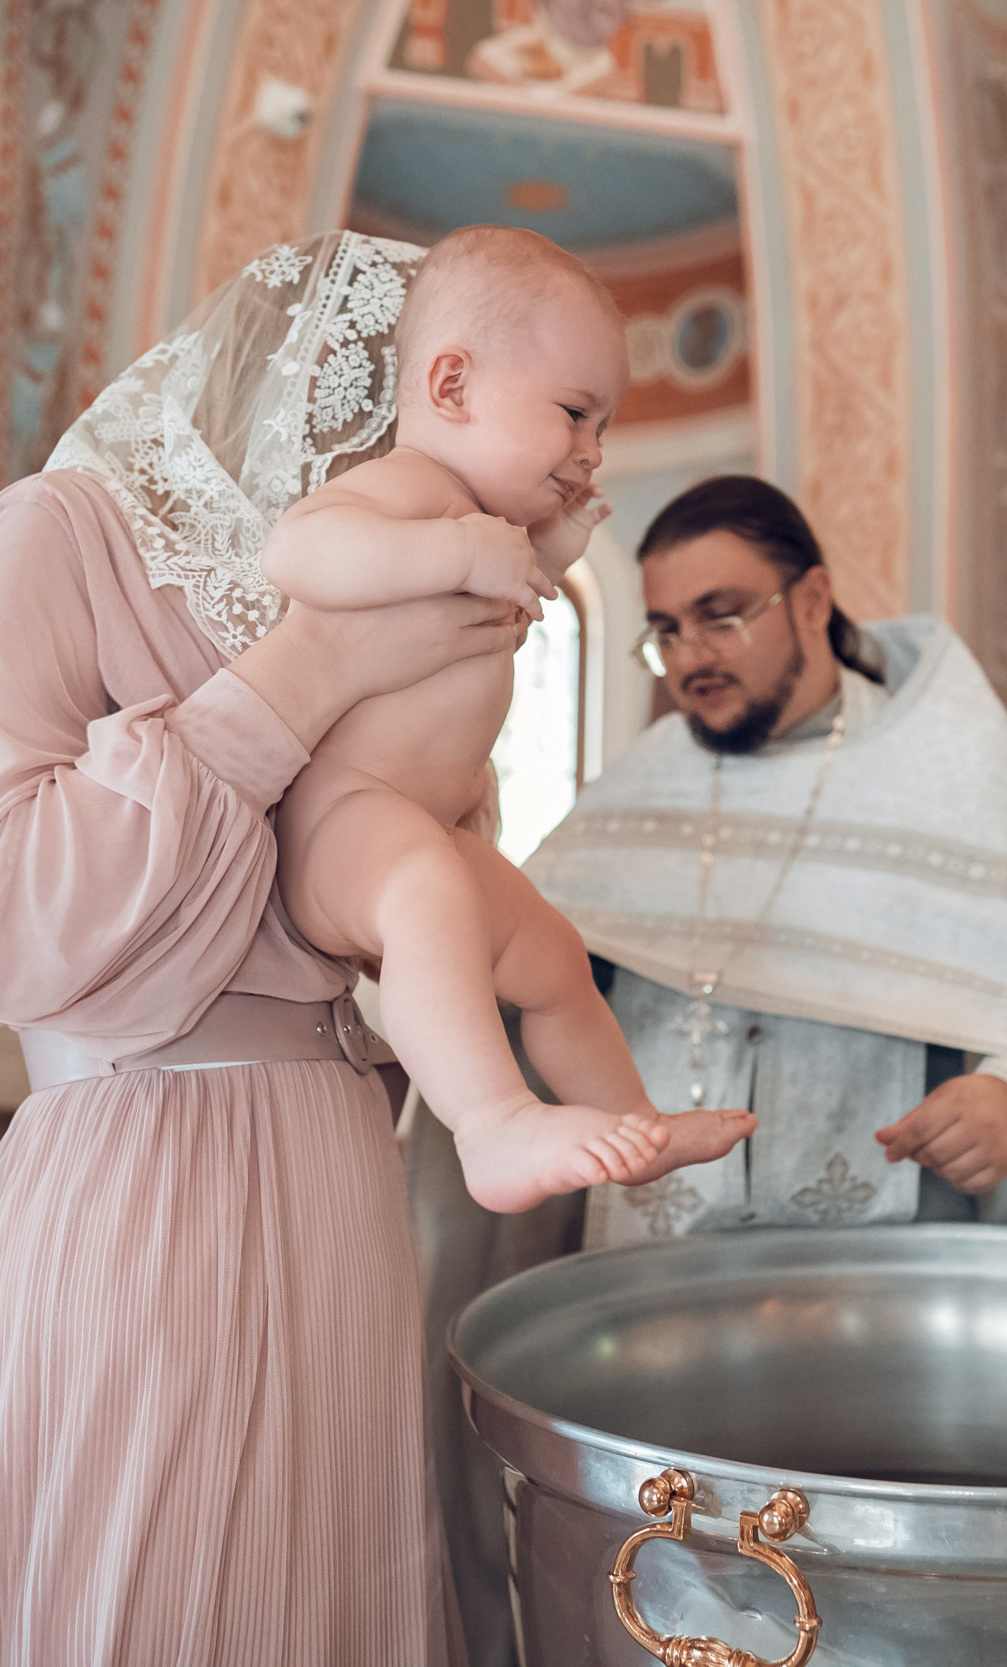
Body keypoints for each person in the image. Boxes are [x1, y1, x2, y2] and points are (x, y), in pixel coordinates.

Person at [0, 231, 535, 1665]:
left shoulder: (399, 584)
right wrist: (306, 667)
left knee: (315, 1586)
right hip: (143, 1178)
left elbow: (396, 889)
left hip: (343, 1173)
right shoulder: (54, 536)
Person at [409, 475, 1007, 1663]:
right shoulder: (650, 784)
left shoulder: (945, 768)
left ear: (810, 597)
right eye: (663, 628)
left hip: (865, 1320)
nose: (687, 656)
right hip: (647, 1306)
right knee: (654, 1604)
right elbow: (525, 975)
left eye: (722, 613)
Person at [264, 225, 751, 1213]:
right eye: (574, 414)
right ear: (450, 388)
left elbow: (506, 588)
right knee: (427, 896)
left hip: (424, 824)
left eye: (601, 429)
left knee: (551, 956)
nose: (591, 448)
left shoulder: (482, 521)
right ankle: (490, 1125)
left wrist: (548, 547)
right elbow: (298, 554)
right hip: (343, 817)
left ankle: (635, 1124)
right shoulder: (410, 489)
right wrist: (454, 556)